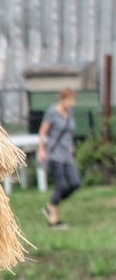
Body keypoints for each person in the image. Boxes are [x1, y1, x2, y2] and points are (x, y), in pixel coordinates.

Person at [39, 87, 80, 228]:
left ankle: (51, 206)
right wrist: (41, 150)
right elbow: (43, 132)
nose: (73, 103)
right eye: (70, 100)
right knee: (60, 185)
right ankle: (54, 220)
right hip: (55, 154)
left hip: (67, 154)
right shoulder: (52, 112)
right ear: (62, 99)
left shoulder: (70, 114)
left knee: (75, 183)